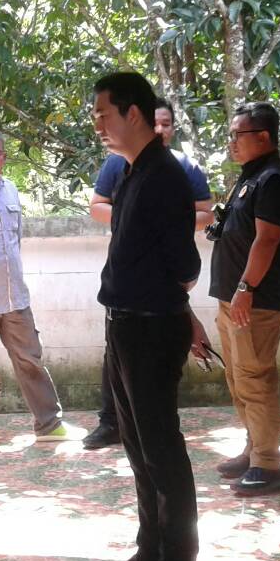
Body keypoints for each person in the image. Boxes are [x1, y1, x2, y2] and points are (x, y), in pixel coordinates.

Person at [85, 73, 208, 561]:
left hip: (152, 327)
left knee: (162, 451)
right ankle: (151, 554)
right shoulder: (133, 171)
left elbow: (184, 264)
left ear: (133, 113)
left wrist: (175, 304)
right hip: (126, 323)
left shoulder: (164, 176)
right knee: (137, 447)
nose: (97, 123)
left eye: (103, 113)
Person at [84, 96, 214, 450]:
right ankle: (110, 422)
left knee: (156, 418)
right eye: (154, 123)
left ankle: (154, 431)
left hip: (165, 282)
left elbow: (206, 214)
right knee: (116, 357)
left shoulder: (181, 168)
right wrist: (134, 218)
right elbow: (96, 206)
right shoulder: (119, 164)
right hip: (127, 286)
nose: (159, 130)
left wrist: (166, 220)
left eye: (166, 124)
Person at [0, 128, 76, 447]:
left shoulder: (11, 190)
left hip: (14, 296)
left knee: (31, 359)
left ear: (4, 157)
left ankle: (49, 425)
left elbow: (14, 241)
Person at [208, 103, 280, 496]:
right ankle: (254, 449)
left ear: (263, 137)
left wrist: (246, 289)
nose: (231, 142)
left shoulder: (274, 179)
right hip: (235, 298)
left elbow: (268, 239)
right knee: (239, 378)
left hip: (255, 300)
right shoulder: (251, 176)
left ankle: (268, 463)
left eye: (238, 135)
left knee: (255, 379)